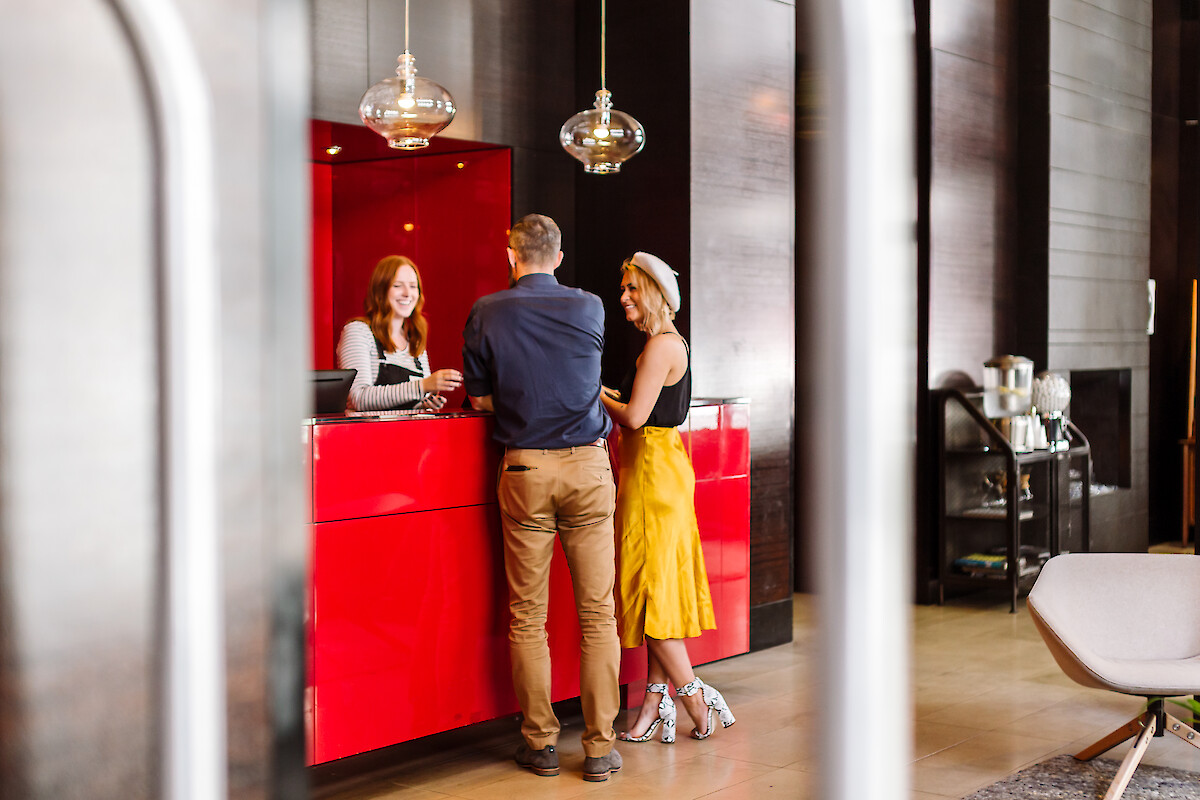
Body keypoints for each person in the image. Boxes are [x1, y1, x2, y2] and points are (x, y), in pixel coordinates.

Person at [461, 214, 622, 782]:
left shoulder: (487, 311)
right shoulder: (591, 306)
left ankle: (542, 744)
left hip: (525, 467)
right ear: (558, 256)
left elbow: (479, 400)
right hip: (587, 466)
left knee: (528, 616)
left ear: (512, 255)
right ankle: (600, 748)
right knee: (598, 613)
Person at [600, 252, 735, 744]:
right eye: (624, 289)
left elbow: (634, 417)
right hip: (660, 468)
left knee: (652, 590)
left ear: (656, 293)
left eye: (633, 289)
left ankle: (697, 699)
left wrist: (595, 393)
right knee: (656, 587)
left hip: (652, 474)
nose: (624, 298)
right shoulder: (669, 343)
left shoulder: (659, 346)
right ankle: (652, 704)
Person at [336, 255, 462, 411]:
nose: (407, 293)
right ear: (380, 290)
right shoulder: (359, 331)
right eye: (397, 286)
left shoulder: (414, 338)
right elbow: (358, 398)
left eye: (413, 286)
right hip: (369, 434)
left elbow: (412, 398)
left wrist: (424, 404)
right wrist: (423, 385)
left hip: (409, 434)